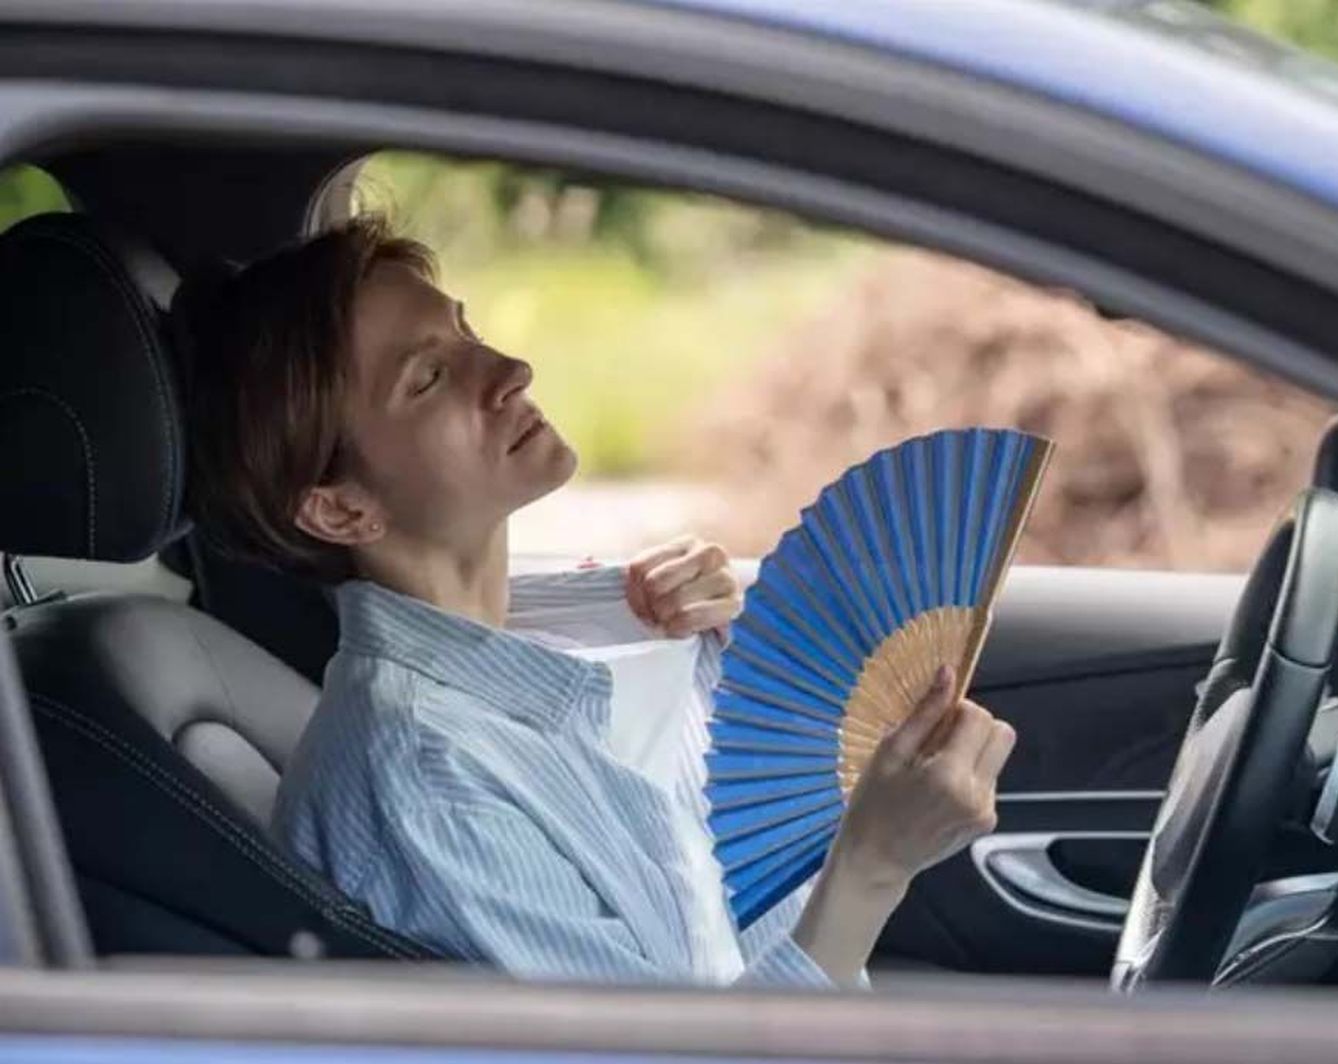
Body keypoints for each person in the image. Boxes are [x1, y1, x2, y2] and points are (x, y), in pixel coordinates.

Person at [176, 215, 1016, 989]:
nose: (509, 370)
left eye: (465, 330)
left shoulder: (599, 635)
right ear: (341, 508)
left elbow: (720, 926)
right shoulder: (427, 781)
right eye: (429, 377)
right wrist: (870, 867)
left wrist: (703, 648)